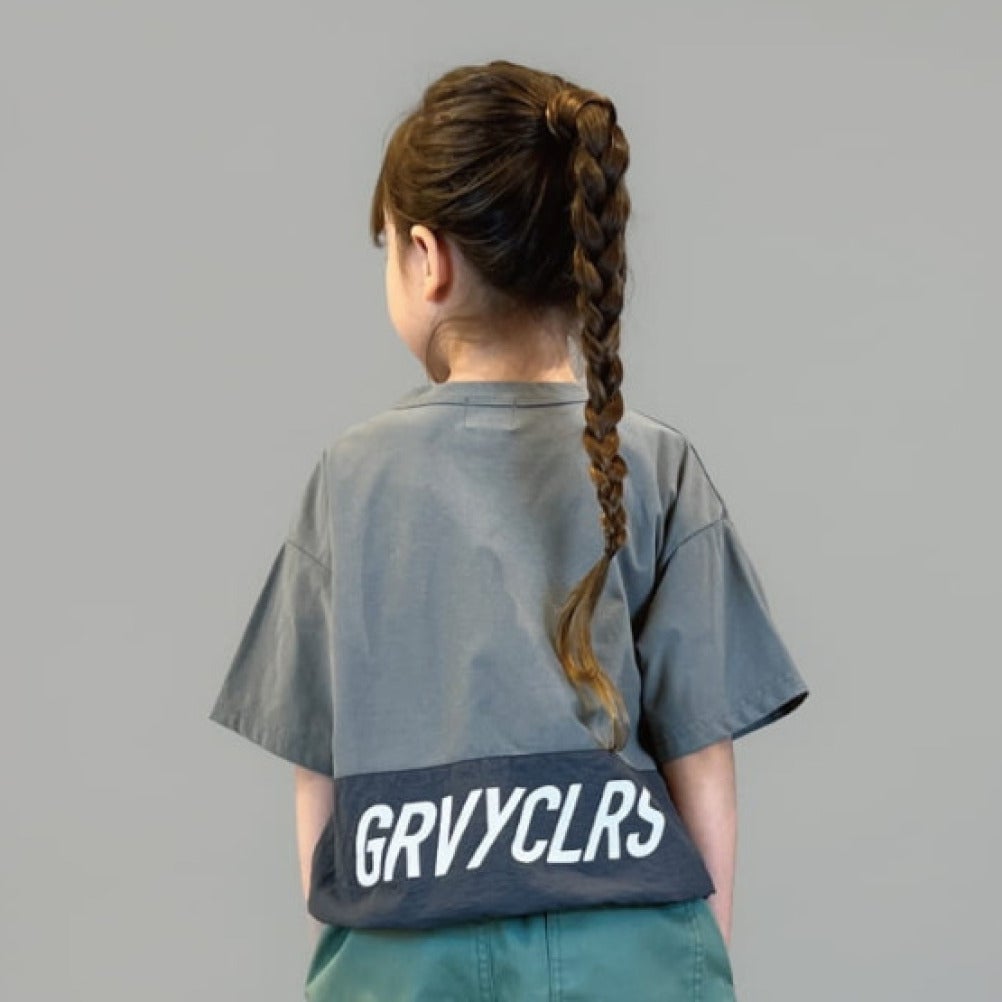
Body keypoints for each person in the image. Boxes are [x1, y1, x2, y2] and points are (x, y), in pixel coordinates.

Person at [207, 58, 810, 1002]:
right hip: (630, 950)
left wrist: (351, 955)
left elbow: (317, 771)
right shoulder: (657, 466)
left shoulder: (349, 478)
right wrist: (700, 963)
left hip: (403, 954)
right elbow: (703, 761)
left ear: (427, 256)